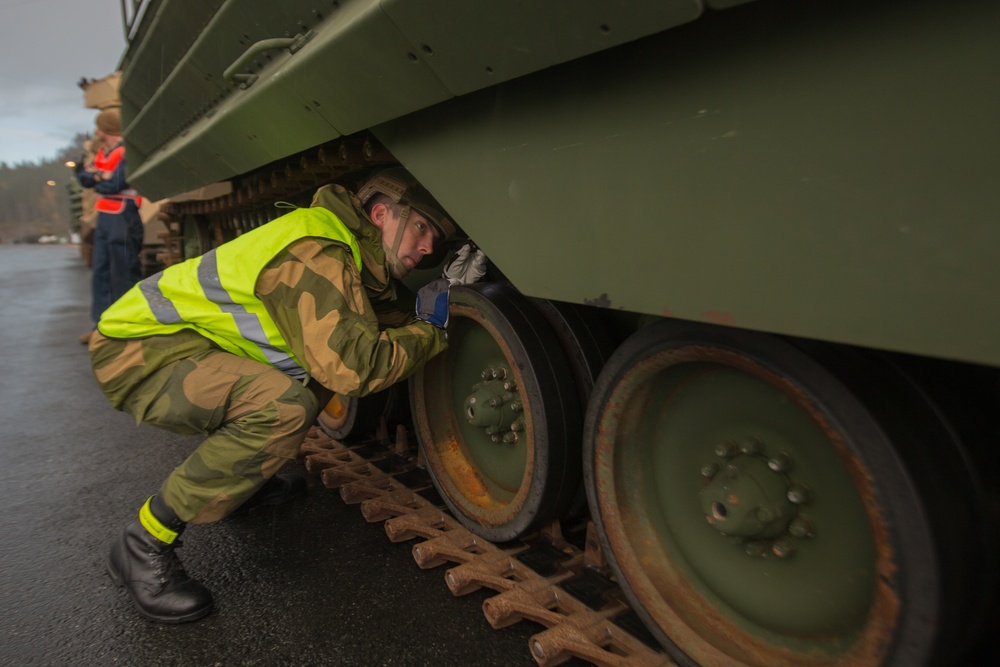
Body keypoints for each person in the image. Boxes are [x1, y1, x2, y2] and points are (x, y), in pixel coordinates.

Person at [88, 168, 486, 623]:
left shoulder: (346, 249)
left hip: (188, 346)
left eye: (434, 239)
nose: (429, 248)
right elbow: (359, 367)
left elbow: (375, 327)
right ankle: (143, 541)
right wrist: (432, 329)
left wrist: (450, 295)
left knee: (311, 377)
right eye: (420, 228)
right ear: (380, 215)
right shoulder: (314, 252)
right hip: (141, 352)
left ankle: (241, 481)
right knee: (282, 407)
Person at [76, 108, 145, 345]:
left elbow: (114, 184)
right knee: (102, 273)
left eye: (99, 127)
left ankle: (129, 327)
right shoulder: (104, 152)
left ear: (107, 129)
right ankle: (102, 327)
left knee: (123, 272)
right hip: (105, 216)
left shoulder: (126, 153)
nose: (96, 132)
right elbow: (85, 178)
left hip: (123, 217)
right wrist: (98, 179)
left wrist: (98, 179)